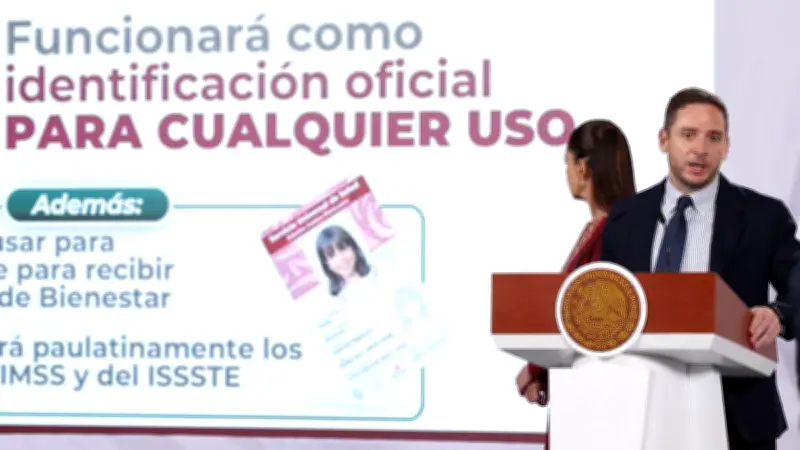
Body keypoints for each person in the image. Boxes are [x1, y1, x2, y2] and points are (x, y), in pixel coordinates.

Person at [600, 87, 800, 450]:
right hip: (642, 408)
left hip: (737, 415)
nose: (700, 149)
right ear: (664, 140)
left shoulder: (764, 216)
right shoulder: (626, 216)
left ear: (726, 147)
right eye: (688, 135)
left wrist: (778, 315)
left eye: (714, 138)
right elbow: (605, 301)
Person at [515, 119, 637, 449]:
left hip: (596, 400)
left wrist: (535, 368)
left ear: (582, 168)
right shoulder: (608, 230)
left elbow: (586, 319)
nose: (567, 172)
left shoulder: (611, 236)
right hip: (585, 393)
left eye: (566, 163)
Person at [316, 225, 372, 297]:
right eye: (331, 255)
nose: (340, 258)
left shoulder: (381, 274)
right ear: (326, 264)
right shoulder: (335, 300)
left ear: (353, 248)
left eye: (342, 248)